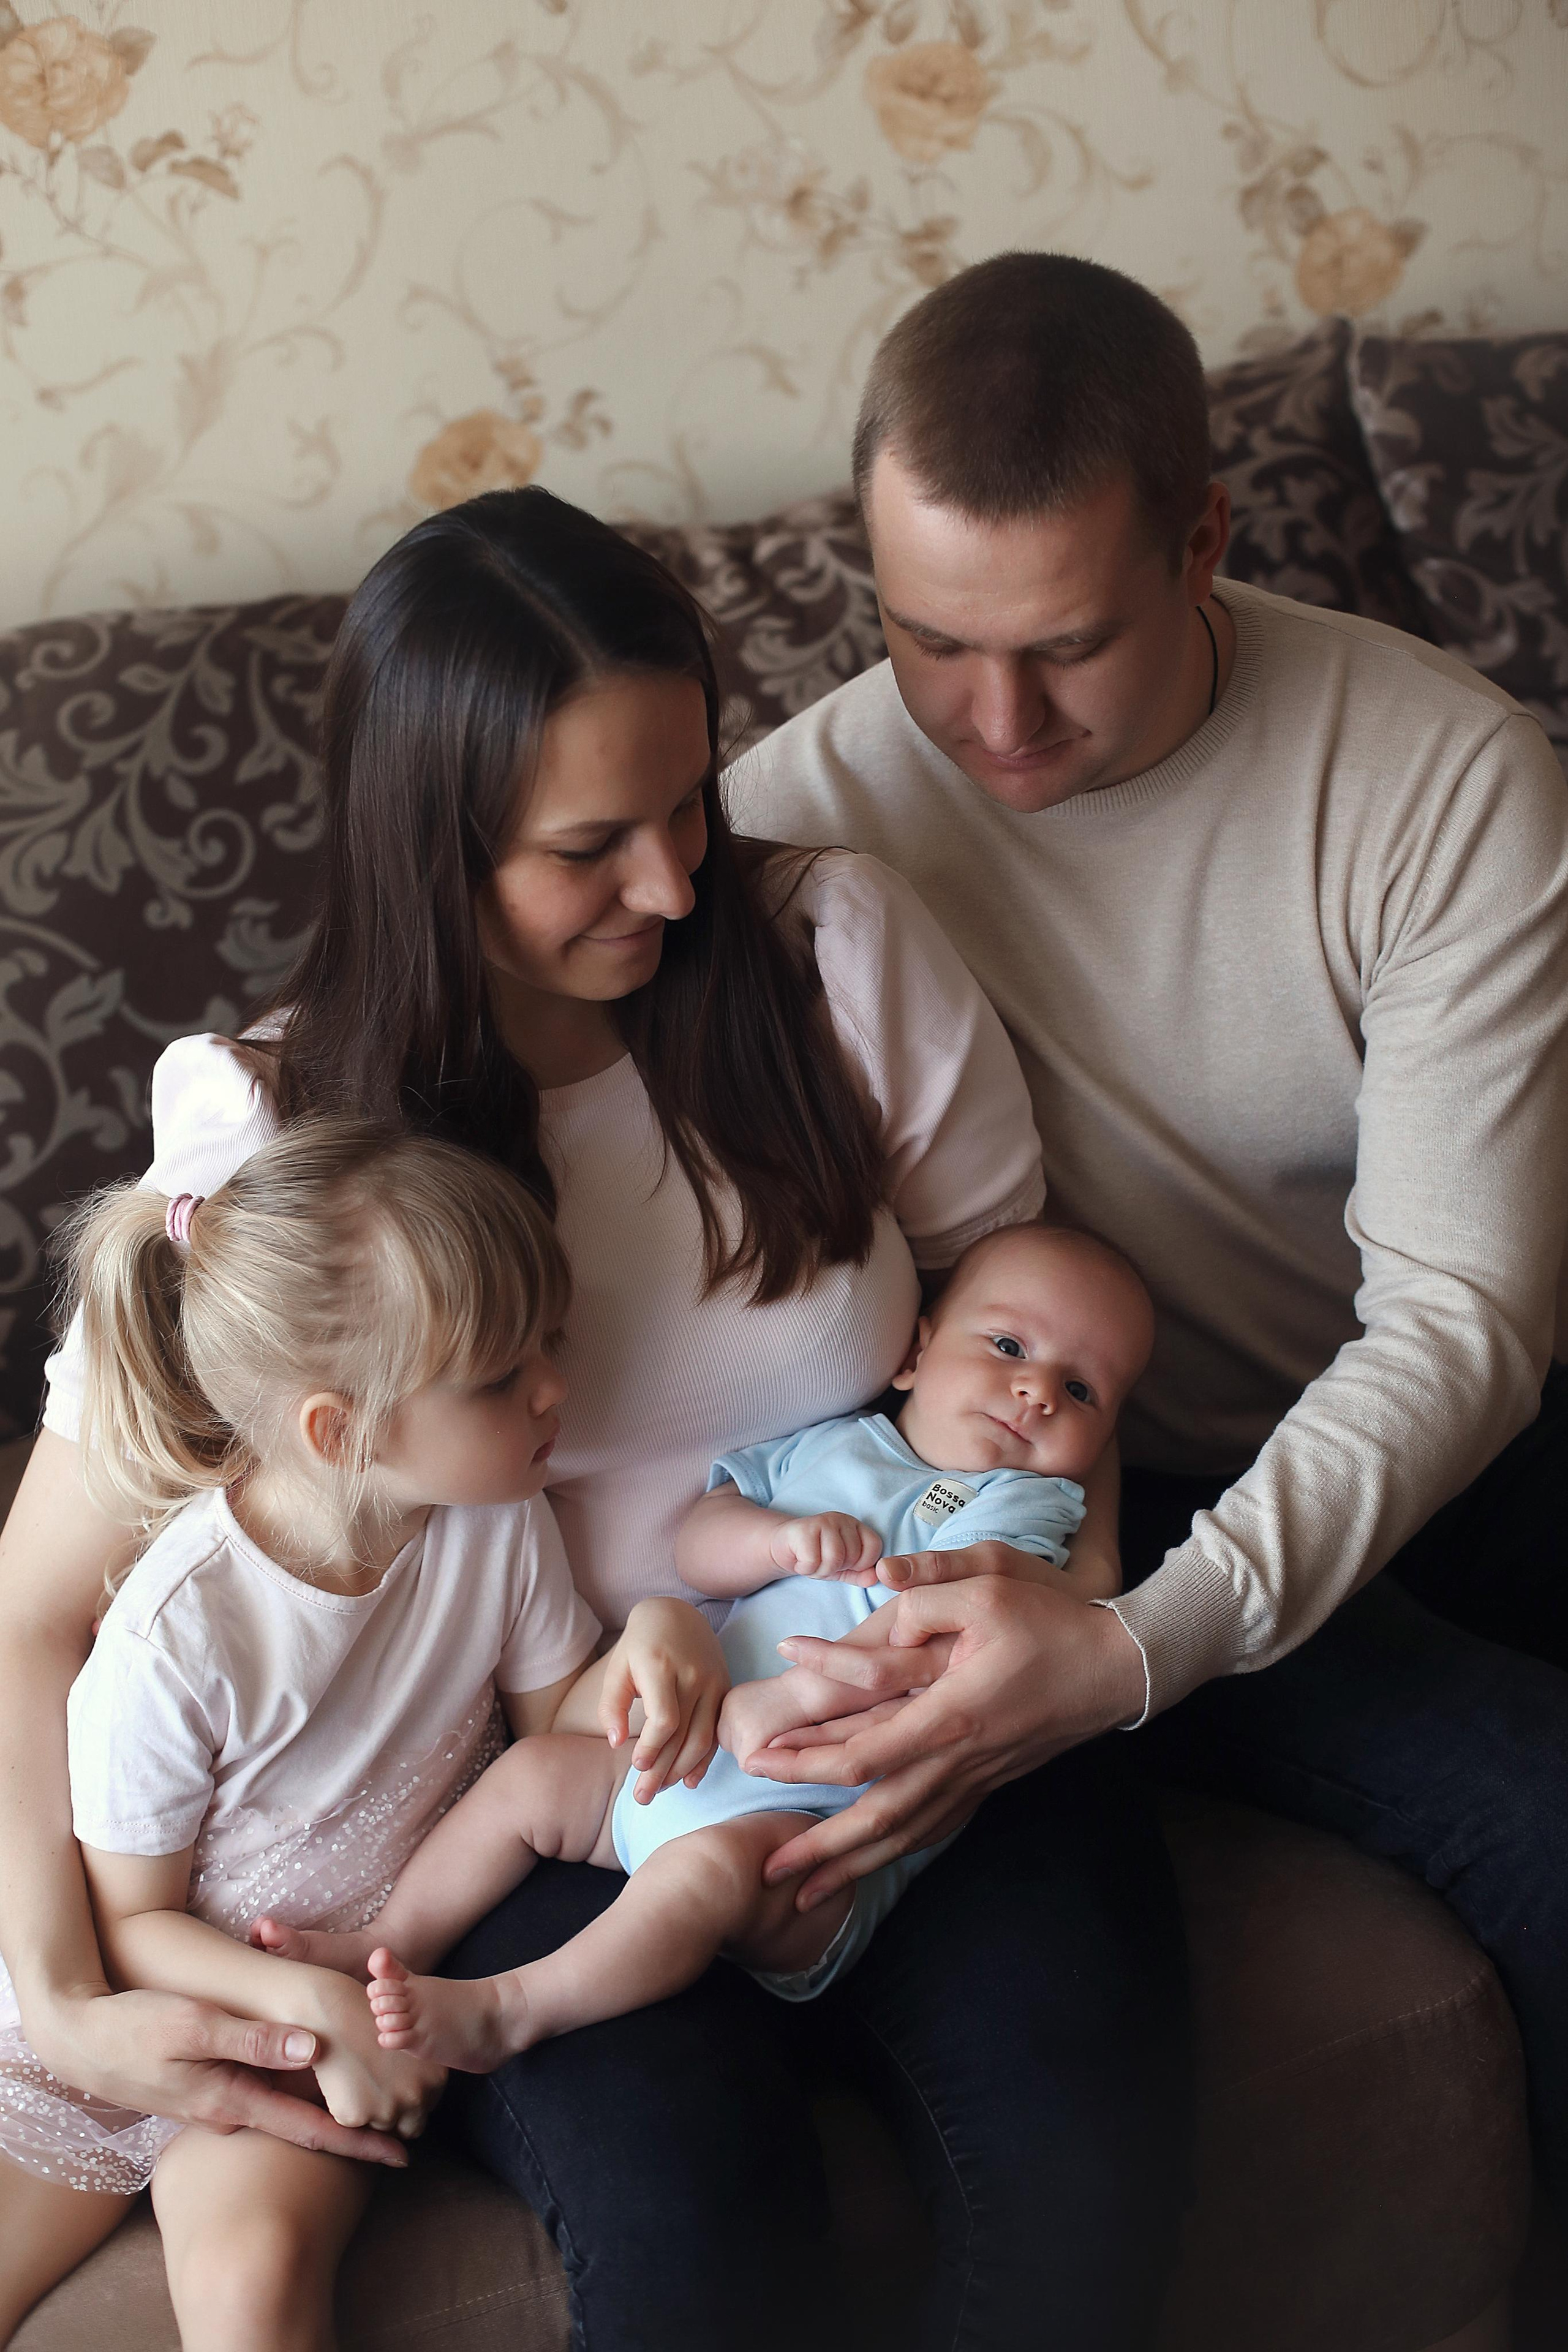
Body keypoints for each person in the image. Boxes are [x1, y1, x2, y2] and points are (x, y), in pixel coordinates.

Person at [0, 488, 1190, 2352]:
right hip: (557, 1776)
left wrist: (1077, 1598)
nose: (672, 883)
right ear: (432, 848)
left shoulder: (828, 952)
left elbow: (1040, 1327)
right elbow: (37, 1608)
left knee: (1092, 2157)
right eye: (588, 846)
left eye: (688, 802)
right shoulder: (277, 1131)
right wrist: (64, 1993)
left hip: (916, 1715)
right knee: (703, 2231)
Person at [727, 250, 1568, 2241]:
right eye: (931, 641)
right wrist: (1123, 1637)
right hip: (1127, 1485)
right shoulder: (786, 838)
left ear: (1203, 540)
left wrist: (1127, 1668)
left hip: (1463, 1409)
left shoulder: (1442, 779)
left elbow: (1465, 1316)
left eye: (1068, 648)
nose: (993, 726)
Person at [0, 1118, 741, 2348]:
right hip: (170, 1985)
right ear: (340, 1431)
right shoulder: (181, 1631)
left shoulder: (495, 1521)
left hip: (317, 2019)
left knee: (255, 2286)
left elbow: (558, 1723)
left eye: (545, 1344)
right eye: (504, 1376)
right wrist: (320, 2013)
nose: (557, 1389)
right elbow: (132, 1925)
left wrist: (665, 1632)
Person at [251, 1221, 1153, 2070]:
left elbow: (939, 1635)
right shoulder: (829, 1446)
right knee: (529, 1780)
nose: (1036, 1391)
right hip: (686, 1753)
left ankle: (513, 2009)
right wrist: (769, 1541)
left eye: (1080, 1392)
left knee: (706, 1876)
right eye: (1008, 1348)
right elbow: (699, 1540)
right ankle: (391, 1938)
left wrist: (791, 1702)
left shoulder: (1033, 1508)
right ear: (916, 1353)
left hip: (807, 1838)